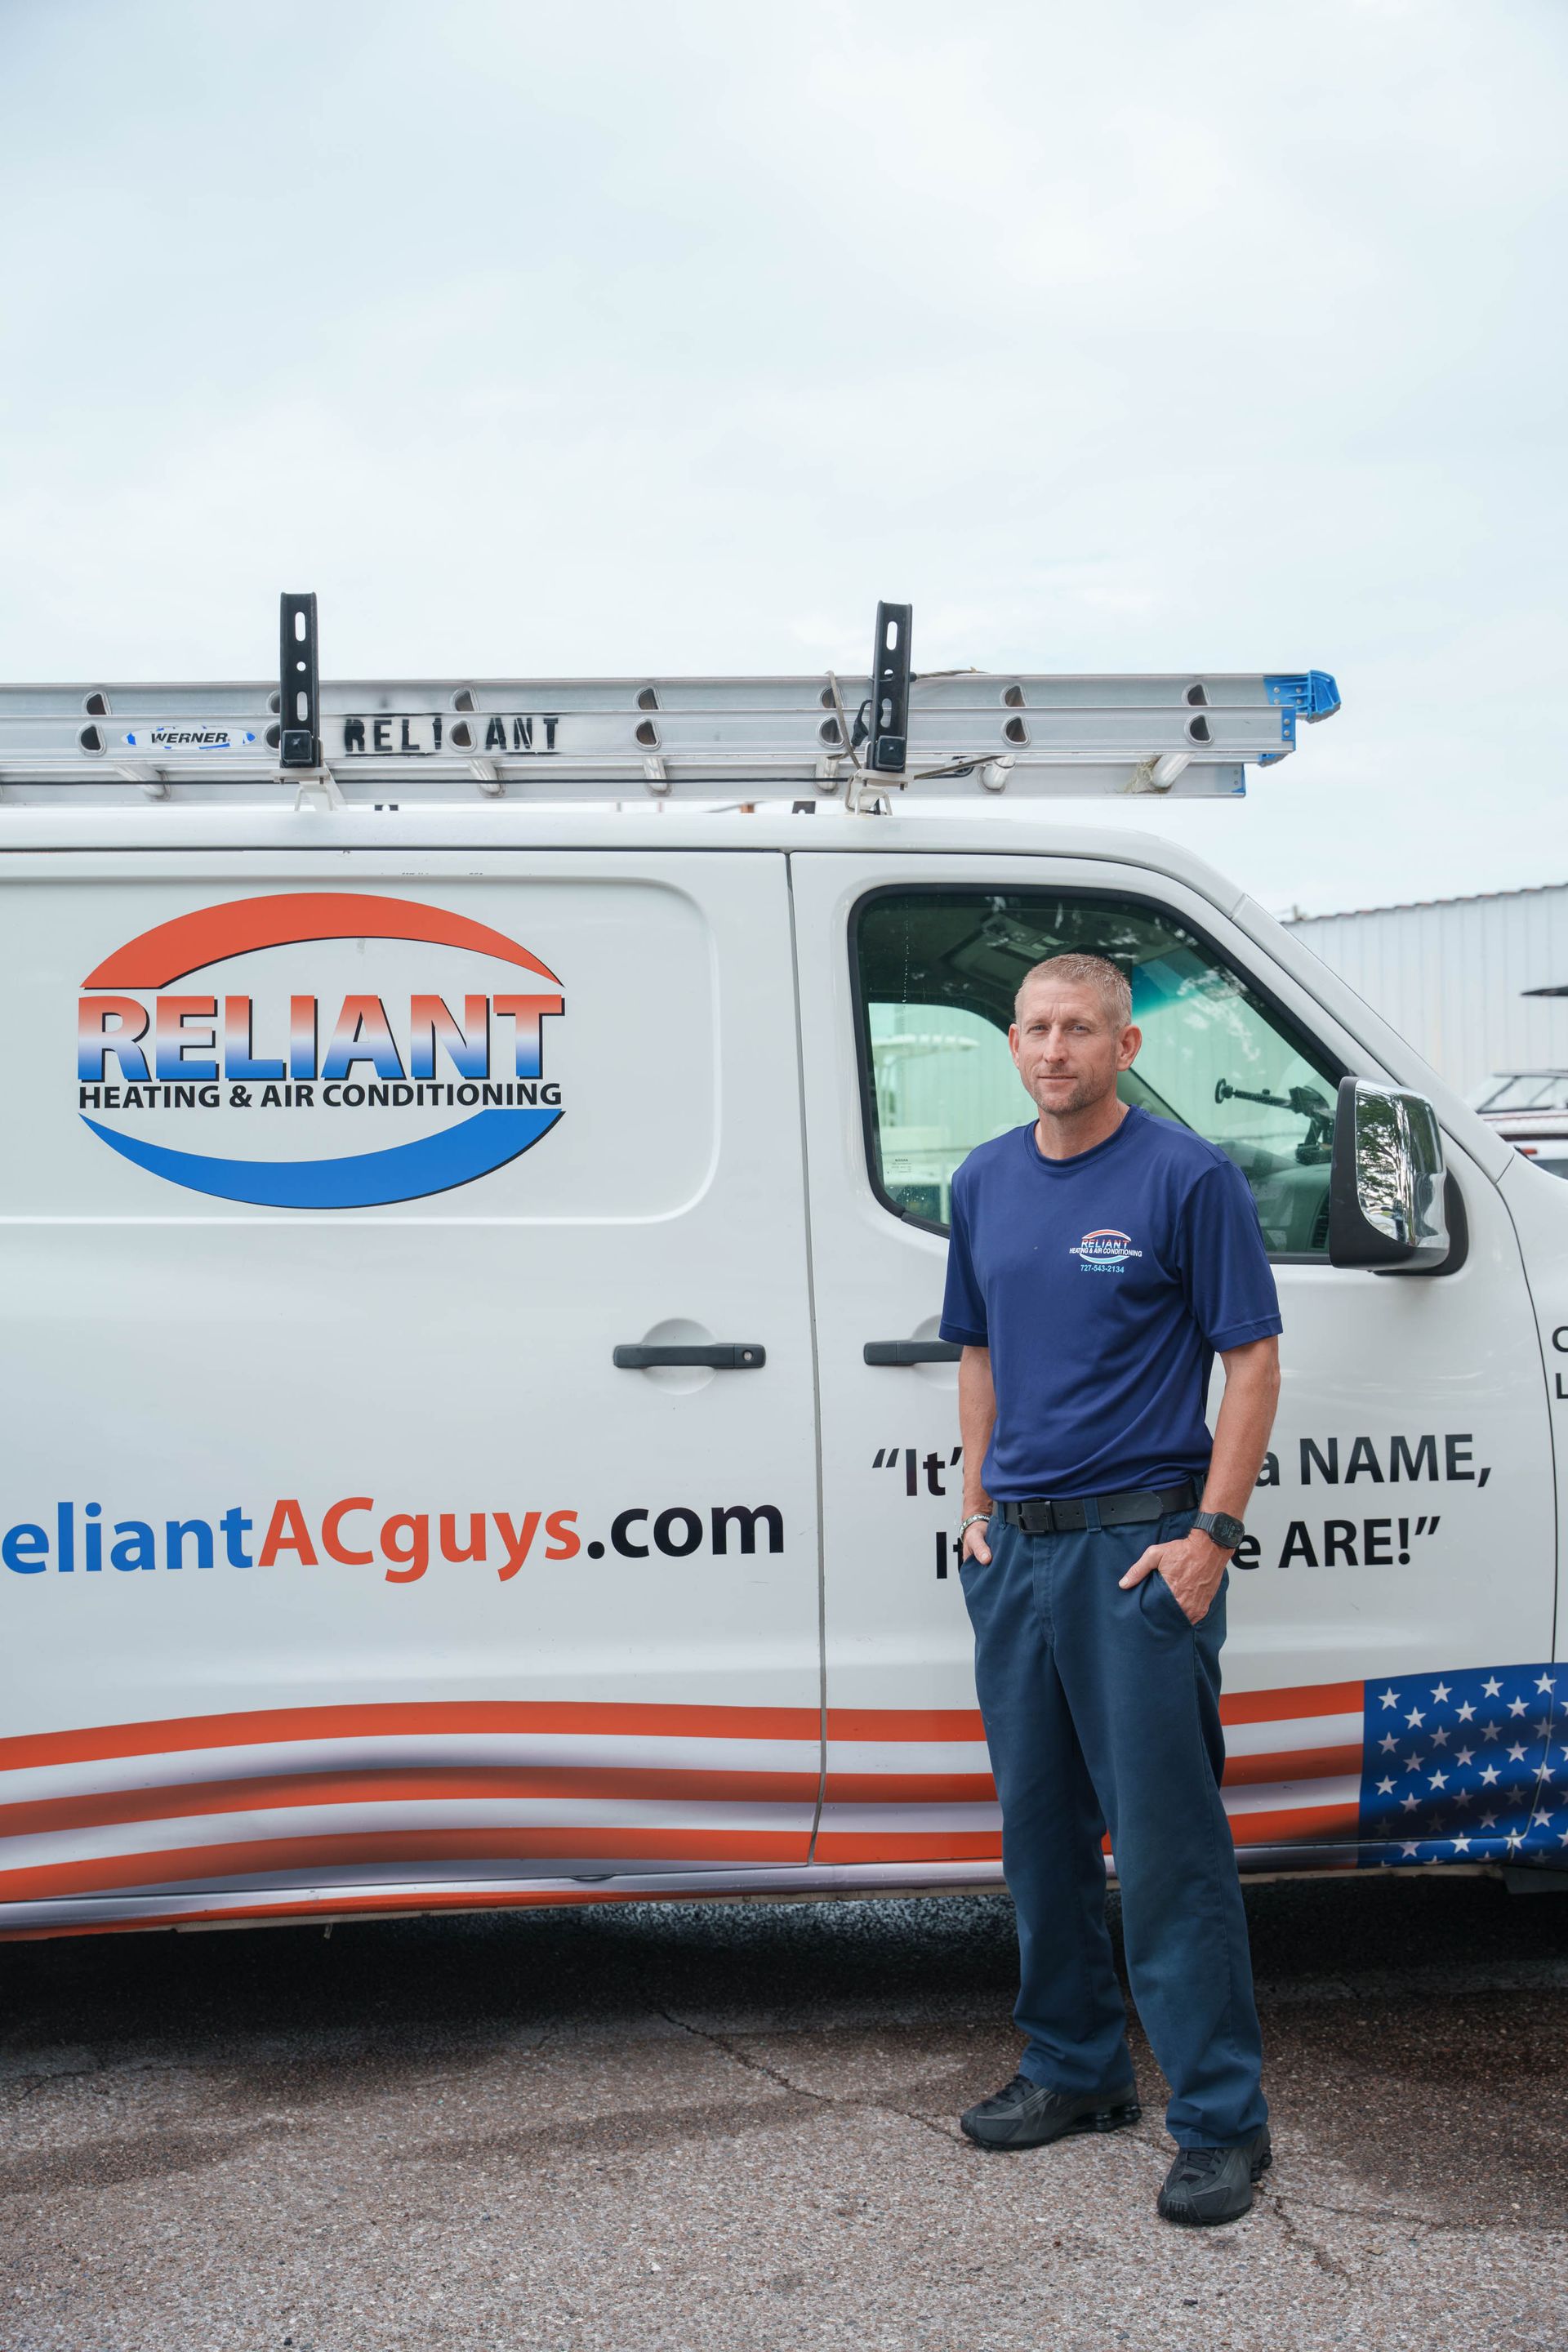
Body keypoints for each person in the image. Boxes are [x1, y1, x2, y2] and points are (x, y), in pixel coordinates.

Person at [941, 951, 1282, 2228]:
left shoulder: (1186, 1179)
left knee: (1168, 1850)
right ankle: (1077, 2072)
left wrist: (1211, 1537)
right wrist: (973, 1511)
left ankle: (1221, 2123)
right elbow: (977, 1352)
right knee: (1040, 1839)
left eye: (1079, 1027)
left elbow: (1252, 1366)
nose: (1052, 1048)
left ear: (1125, 1047)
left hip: (1139, 1553)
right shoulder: (982, 1179)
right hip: (1017, 1552)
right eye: (1033, 1027)